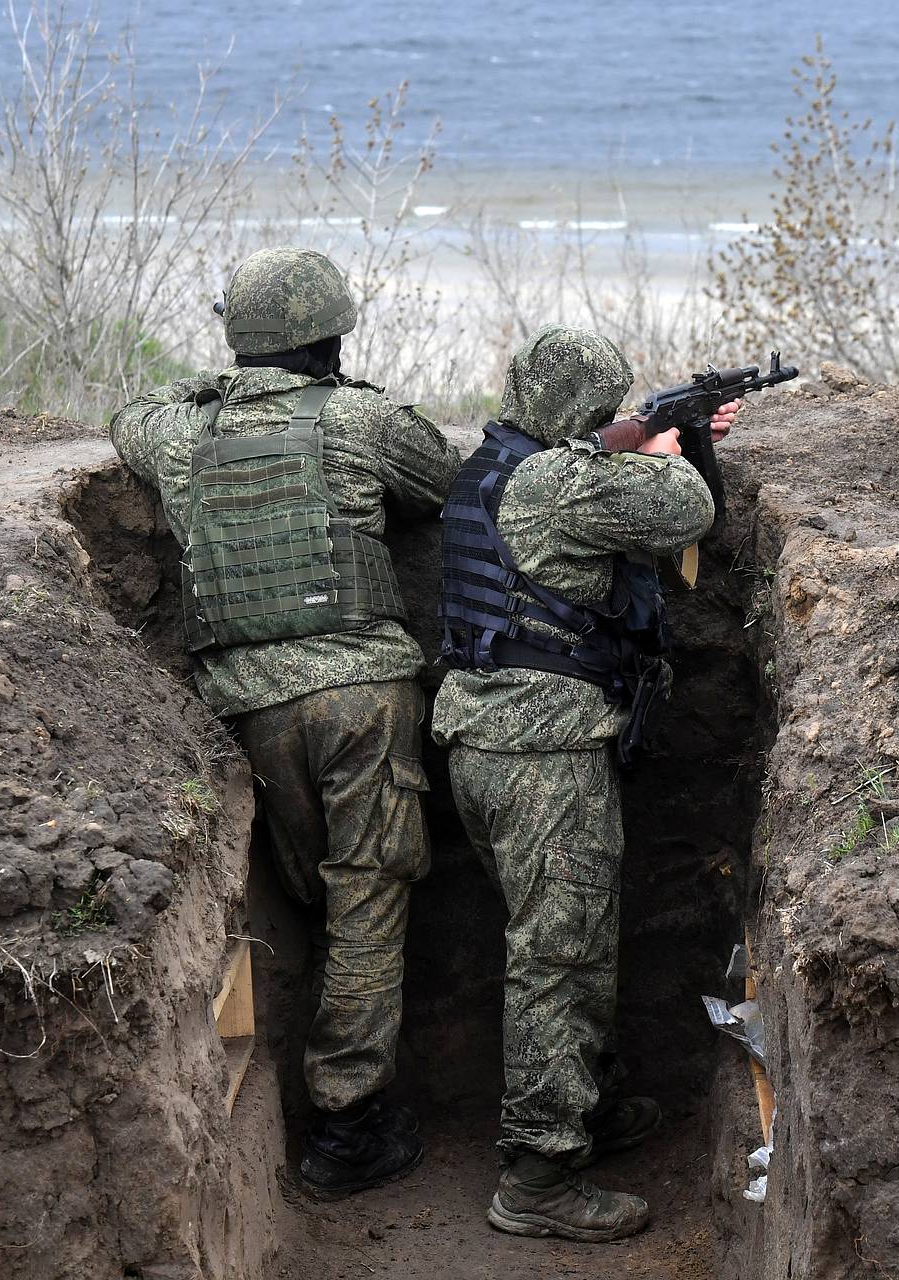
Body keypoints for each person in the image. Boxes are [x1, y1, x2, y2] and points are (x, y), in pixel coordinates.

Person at [110, 247, 460, 1199]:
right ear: (332, 334)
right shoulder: (355, 419)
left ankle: (336, 1097)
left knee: (316, 894)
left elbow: (129, 416)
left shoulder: (186, 438)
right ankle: (350, 1125)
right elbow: (440, 477)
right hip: (363, 698)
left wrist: (222, 385)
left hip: (250, 708)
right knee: (367, 900)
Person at [431, 324, 736, 1241]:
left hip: (490, 743)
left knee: (564, 942)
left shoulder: (493, 464)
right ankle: (539, 1178)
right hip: (544, 754)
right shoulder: (558, 484)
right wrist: (669, 450)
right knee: (559, 958)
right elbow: (684, 511)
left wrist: (654, 434)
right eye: (604, 411)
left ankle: (584, 1112)